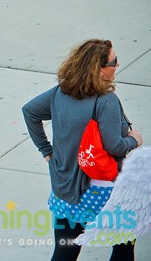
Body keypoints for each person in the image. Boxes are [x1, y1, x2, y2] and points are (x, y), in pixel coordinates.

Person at [22, 39, 143, 261]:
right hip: (103, 191)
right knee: (123, 246)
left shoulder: (60, 92)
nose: (117, 65)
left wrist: (47, 151)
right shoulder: (106, 101)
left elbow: (29, 111)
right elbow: (114, 146)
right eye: (113, 62)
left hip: (65, 192)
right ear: (98, 70)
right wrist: (134, 140)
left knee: (65, 250)